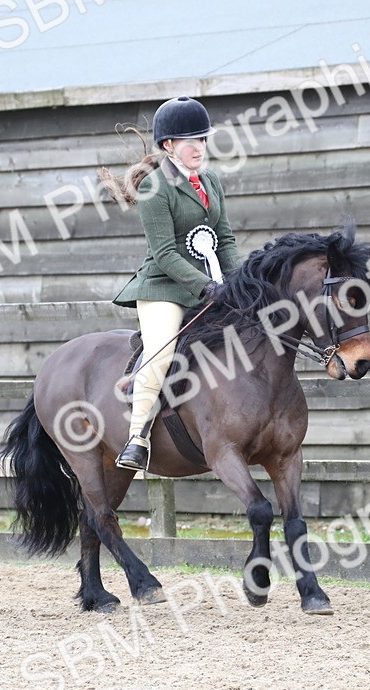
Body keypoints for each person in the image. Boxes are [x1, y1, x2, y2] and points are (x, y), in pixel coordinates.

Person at [103, 96, 242, 471]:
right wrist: (206, 287)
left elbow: (225, 239)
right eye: (190, 141)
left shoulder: (210, 182)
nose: (200, 147)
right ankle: (137, 438)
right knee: (161, 353)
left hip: (210, 283)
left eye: (203, 139)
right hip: (164, 288)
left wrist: (239, 281)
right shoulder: (154, 188)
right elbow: (164, 253)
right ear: (169, 145)